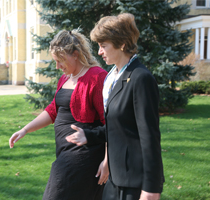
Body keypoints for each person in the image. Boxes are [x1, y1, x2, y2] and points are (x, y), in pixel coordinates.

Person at [66, 13, 164, 200]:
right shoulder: (112, 78)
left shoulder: (140, 78)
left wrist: (151, 188)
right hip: (115, 178)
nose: (100, 52)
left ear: (122, 44)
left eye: (104, 46)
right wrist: (89, 135)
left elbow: (150, 137)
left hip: (135, 182)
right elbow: (118, 127)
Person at [9, 30, 109, 200]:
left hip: (84, 155)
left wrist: (107, 161)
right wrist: (25, 130)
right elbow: (53, 110)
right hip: (64, 152)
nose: (57, 66)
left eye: (60, 60)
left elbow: (109, 123)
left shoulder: (97, 77)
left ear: (75, 55)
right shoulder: (65, 78)